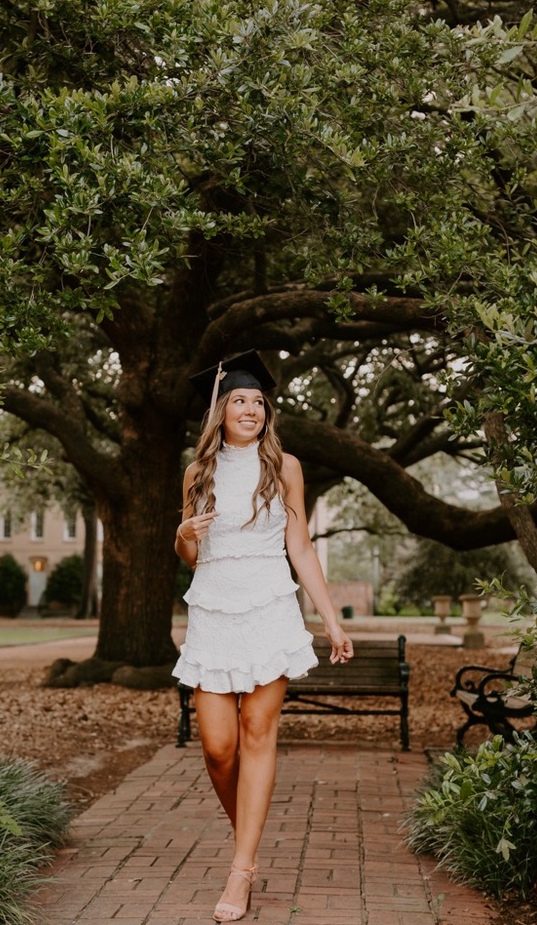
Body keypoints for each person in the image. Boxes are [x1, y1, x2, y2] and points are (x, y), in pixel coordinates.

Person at [172, 350, 355, 923]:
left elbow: (300, 547)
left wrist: (329, 617)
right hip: (213, 612)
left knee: (257, 733)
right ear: (220, 411)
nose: (250, 409)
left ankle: (241, 870)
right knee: (217, 747)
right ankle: (245, 840)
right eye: (239, 401)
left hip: (270, 607)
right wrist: (182, 533)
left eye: (258, 402)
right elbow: (190, 556)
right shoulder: (196, 472)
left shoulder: (286, 467)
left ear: (266, 413)